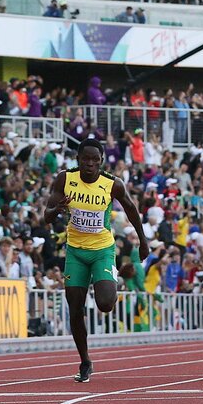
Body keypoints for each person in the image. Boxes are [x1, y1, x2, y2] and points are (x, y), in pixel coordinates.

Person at [42, 138, 148, 382]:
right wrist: (57, 209)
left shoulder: (112, 184)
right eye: (85, 159)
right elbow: (47, 216)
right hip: (75, 252)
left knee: (105, 303)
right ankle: (85, 361)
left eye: (94, 160)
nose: (89, 164)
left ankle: (113, 280)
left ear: (101, 162)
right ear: (78, 159)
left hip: (102, 250)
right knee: (75, 307)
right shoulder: (65, 179)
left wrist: (143, 241)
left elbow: (131, 210)